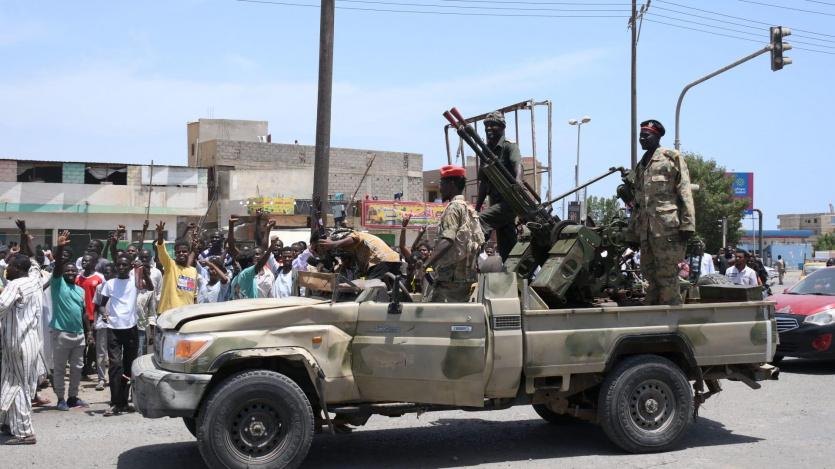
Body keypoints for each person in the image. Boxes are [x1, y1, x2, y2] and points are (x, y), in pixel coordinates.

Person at [628, 119, 695, 306]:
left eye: (646, 135)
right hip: (646, 231)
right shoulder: (641, 166)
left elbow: (685, 191)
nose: (642, 139)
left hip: (667, 230)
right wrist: (632, 232)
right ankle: (653, 314)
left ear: (657, 137)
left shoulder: (671, 158)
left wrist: (688, 224)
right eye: (640, 136)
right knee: (649, 275)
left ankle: (671, 316)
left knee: (667, 276)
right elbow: (638, 203)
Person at [0, 250, 43, 444]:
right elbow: (34, 266)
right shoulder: (33, 281)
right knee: (13, 381)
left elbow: (1, 305)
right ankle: (10, 423)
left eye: (9, 265)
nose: (6, 268)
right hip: (30, 343)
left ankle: (24, 433)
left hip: (17, 343)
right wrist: (26, 239)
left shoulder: (15, 284)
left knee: (17, 385)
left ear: (17, 269)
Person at [424, 165, 484, 302]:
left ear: (451, 184)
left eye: (442, 184)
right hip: (466, 278)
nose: (440, 188)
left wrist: (425, 264)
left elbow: (447, 240)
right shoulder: (468, 208)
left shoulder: (453, 208)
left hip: (449, 280)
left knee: (434, 313)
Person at [98, 254, 146, 416]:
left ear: (130, 266)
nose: (121, 267)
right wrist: (104, 313)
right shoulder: (110, 283)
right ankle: (114, 402)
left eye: (125, 265)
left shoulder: (135, 281)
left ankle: (124, 402)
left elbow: (150, 287)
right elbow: (101, 305)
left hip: (131, 328)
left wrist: (142, 270)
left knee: (128, 366)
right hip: (114, 329)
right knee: (115, 365)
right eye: (119, 265)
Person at [476, 111, 523, 262]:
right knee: (506, 245)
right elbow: (484, 182)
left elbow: (517, 164)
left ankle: (472, 256)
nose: (488, 128)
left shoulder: (509, 146)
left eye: (493, 125)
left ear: (502, 127)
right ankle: (512, 269)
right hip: (496, 202)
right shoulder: (485, 150)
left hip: (509, 201)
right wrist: (476, 207)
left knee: (480, 221)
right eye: (486, 126)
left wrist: (518, 180)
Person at [312, 230, 401, 281]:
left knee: (370, 291)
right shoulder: (338, 250)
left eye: (315, 249)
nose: (315, 252)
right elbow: (350, 263)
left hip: (381, 258)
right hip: (390, 259)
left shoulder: (334, 237)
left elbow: (356, 238)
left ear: (321, 243)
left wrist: (334, 244)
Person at [154, 221, 198, 314]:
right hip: (167, 314)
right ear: (175, 253)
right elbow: (161, 249)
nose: (181, 253)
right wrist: (160, 235)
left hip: (186, 315)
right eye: (178, 252)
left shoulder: (193, 271)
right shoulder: (170, 265)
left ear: (188, 252)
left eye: (184, 251)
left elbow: (193, 296)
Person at [75, 251, 106, 384]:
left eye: (87, 261)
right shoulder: (77, 278)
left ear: (94, 263)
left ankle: (89, 365)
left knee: (93, 345)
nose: (84, 262)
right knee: (81, 344)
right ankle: (83, 369)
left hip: (94, 315)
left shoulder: (99, 277)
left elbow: (103, 297)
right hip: (79, 316)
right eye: (83, 261)